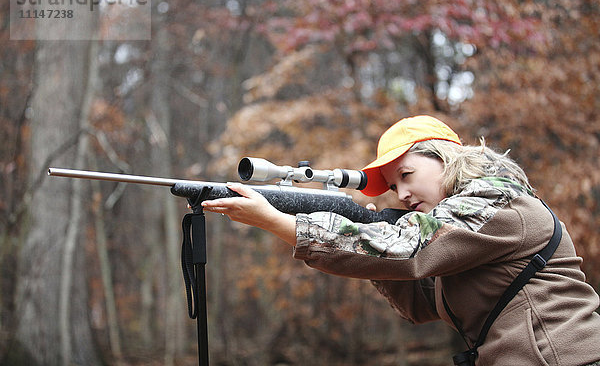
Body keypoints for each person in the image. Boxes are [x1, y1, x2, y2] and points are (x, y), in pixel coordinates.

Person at [201, 115, 600, 366]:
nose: (402, 195)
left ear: (445, 157)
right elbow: (421, 304)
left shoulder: (496, 199)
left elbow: (410, 250)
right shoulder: (454, 233)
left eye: (406, 175)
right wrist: (359, 224)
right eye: (393, 186)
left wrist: (282, 224)